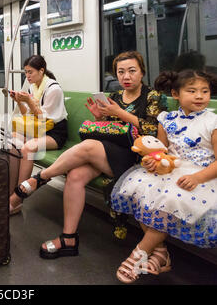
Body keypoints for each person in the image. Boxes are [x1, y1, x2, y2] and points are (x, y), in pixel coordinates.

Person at [12, 51, 167, 259]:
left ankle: (40, 178)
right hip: (105, 151)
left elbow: (152, 130)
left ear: (142, 72)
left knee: (90, 145)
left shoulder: (152, 97)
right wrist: (98, 118)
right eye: (121, 72)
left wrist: (120, 114)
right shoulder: (114, 97)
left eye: (132, 71)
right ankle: (69, 239)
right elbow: (107, 129)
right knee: (75, 175)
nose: (126, 77)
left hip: (134, 155)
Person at [111, 69, 217, 283]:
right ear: (175, 94)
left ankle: (137, 255)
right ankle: (160, 253)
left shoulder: (212, 121)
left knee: (169, 200)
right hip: (171, 169)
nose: (199, 96)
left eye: (204, 91)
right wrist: (153, 161)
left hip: (203, 174)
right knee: (138, 189)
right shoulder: (166, 119)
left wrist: (197, 178)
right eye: (192, 91)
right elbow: (162, 151)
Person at [8, 55, 68, 215]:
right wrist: (20, 101)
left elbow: (43, 117)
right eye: (26, 73)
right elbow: (27, 113)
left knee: (28, 148)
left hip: (55, 132)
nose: (27, 76)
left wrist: (28, 100)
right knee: (13, 144)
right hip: (37, 129)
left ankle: (18, 198)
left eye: (31, 72)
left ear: (42, 71)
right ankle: (10, 191)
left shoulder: (53, 89)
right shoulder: (32, 87)